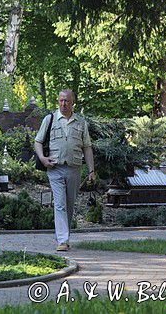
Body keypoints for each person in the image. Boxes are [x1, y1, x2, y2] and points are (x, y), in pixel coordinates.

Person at [34, 89, 95, 251]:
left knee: (69, 204)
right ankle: (62, 240)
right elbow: (38, 141)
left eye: (66, 101)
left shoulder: (81, 123)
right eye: (61, 100)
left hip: (74, 169)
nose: (63, 104)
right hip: (55, 168)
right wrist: (42, 158)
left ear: (73, 102)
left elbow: (87, 148)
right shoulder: (50, 119)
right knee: (60, 204)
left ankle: (65, 237)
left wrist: (91, 171)